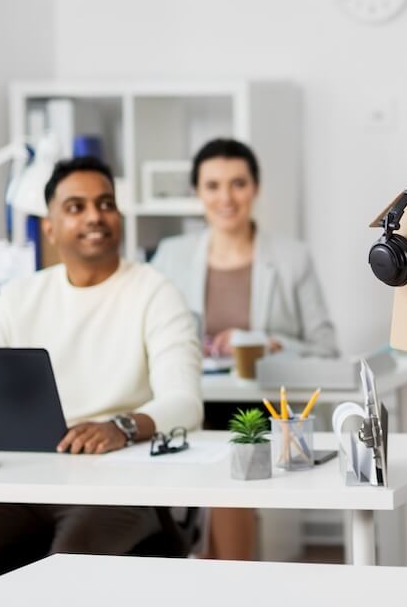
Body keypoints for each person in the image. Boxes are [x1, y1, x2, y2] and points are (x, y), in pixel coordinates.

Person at [0, 156, 203, 606]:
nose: (94, 215)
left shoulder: (155, 292)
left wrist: (121, 427)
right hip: (23, 482)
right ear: (51, 227)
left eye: (105, 203)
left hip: (117, 488)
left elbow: (184, 403)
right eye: (76, 207)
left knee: (61, 577)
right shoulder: (23, 296)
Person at [151, 137, 336, 560]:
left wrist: (263, 344)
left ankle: (228, 571)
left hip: (259, 403)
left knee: (238, 438)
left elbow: (326, 347)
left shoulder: (291, 258)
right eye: (212, 185)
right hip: (193, 399)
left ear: (255, 188)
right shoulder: (170, 256)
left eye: (237, 184)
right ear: (197, 192)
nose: (225, 198)